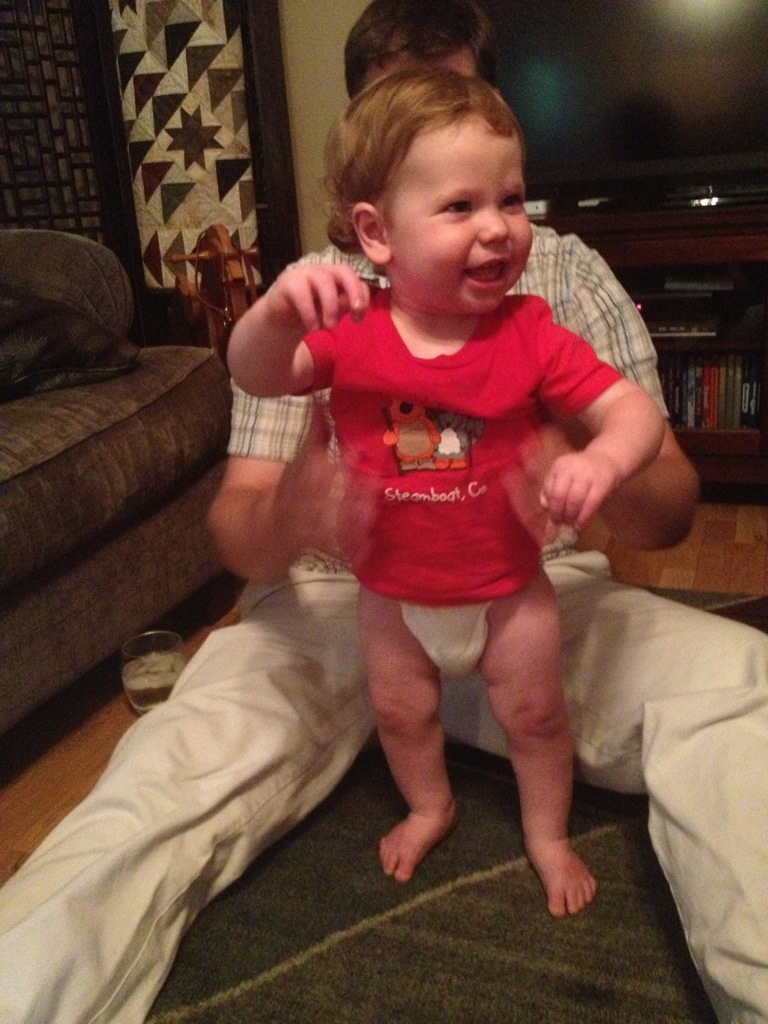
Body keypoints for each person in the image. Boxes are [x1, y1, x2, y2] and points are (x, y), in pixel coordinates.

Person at [0, 2, 766, 1022]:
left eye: (500, 184)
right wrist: (294, 497)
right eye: (410, 132)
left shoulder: (555, 291)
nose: (489, 222)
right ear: (370, 206)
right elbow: (247, 463)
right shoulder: (328, 304)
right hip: (347, 606)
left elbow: (662, 493)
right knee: (158, 790)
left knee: (740, 694)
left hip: (530, 592)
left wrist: (590, 462)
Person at [227, 67, 666, 915]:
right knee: (400, 713)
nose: (499, 227)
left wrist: (603, 463)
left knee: (536, 716)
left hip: (511, 592)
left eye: (512, 199)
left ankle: (547, 835)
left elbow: (635, 413)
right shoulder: (350, 327)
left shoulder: (531, 333)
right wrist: (274, 313)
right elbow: (258, 372)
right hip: (390, 595)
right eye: (460, 206)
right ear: (376, 233)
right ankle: (431, 806)